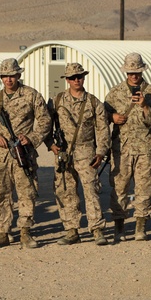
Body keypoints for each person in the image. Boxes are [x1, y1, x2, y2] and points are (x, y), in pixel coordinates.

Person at [0, 58, 51, 249]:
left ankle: (25, 232)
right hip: (1, 155)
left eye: (12, 76)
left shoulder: (31, 95)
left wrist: (32, 138)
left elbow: (45, 121)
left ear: (18, 75)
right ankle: (2, 232)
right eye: (5, 76)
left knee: (26, 192)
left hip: (23, 153)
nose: (9, 80)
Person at [47, 63, 110, 246]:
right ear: (67, 80)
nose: (77, 80)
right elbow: (45, 125)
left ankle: (97, 229)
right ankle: (71, 230)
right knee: (66, 191)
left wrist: (101, 152)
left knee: (91, 190)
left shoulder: (93, 102)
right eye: (73, 77)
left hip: (87, 151)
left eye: (79, 76)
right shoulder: (56, 101)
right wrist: (51, 144)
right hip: (63, 153)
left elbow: (102, 129)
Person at [103, 52, 151, 242]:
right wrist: (113, 118)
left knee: (145, 188)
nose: (134, 75)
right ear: (125, 72)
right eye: (130, 72)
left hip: (144, 148)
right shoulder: (115, 92)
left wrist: (145, 106)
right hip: (121, 148)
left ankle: (140, 227)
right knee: (119, 188)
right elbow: (101, 117)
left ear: (142, 71)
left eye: (137, 72)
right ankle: (120, 227)